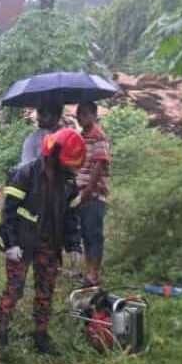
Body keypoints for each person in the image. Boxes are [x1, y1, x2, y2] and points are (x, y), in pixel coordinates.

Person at [0, 128, 85, 355]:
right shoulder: (25, 174)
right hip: (23, 242)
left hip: (49, 243)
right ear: (53, 154)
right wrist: (11, 242)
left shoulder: (68, 182)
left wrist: (74, 244)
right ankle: (2, 330)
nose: (69, 168)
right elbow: (9, 212)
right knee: (14, 288)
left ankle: (41, 335)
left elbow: (71, 217)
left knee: (46, 289)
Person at [75, 102, 111, 287]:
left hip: (93, 194)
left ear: (93, 115)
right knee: (86, 234)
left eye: (83, 114)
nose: (79, 117)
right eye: (78, 114)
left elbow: (99, 163)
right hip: (81, 193)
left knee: (93, 233)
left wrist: (89, 190)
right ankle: (89, 271)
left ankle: (93, 273)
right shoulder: (82, 136)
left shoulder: (98, 136)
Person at [20, 99, 63, 165]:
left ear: (56, 115)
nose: (38, 117)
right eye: (39, 112)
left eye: (44, 113)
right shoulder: (33, 140)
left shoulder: (67, 136)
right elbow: (26, 168)